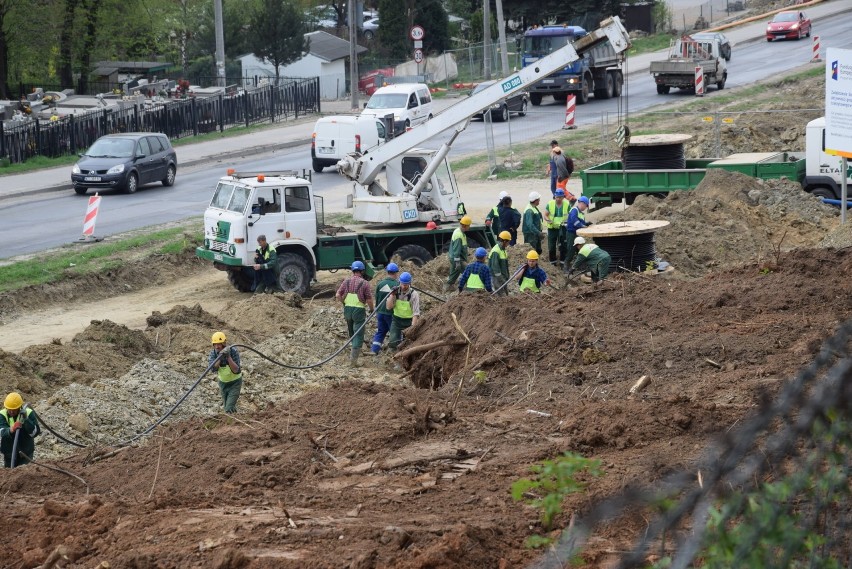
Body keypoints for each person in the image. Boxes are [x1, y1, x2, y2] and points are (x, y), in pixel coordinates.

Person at [335, 261, 375, 367]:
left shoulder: (346, 281)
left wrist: (344, 303)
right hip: (358, 310)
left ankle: (354, 350)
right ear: (362, 271)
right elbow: (369, 299)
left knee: (351, 331)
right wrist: (372, 309)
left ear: (352, 270)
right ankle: (353, 361)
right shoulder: (365, 283)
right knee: (358, 334)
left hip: (347, 309)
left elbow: (338, 294)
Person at [1, 392, 40, 468]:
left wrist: (26, 420)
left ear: (19, 407)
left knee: (25, 476)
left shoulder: (28, 413)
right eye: (10, 409)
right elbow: (1, 431)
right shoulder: (2, 414)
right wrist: (11, 429)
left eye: (14, 409)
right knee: (10, 475)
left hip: (25, 452)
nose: (11, 411)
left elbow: (34, 433)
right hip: (9, 452)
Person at [386, 272, 421, 352]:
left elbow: (416, 313)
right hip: (396, 320)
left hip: (408, 322)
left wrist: (413, 328)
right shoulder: (395, 292)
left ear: (409, 283)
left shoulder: (414, 295)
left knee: (407, 343)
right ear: (399, 282)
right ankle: (394, 356)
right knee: (393, 341)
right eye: (402, 284)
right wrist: (391, 295)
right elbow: (388, 307)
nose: (403, 286)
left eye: (406, 284)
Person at [208, 332, 242, 414]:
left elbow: (236, 370)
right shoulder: (213, 354)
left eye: (219, 344)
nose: (217, 346)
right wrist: (220, 356)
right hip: (223, 384)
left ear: (224, 343)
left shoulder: (233, 351)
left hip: (235, 383)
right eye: (215, 344)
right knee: (228, 407)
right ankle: (236, 421)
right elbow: (213, 369)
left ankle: (229, 424)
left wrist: (228, 357)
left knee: (228, 408)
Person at [371, 263, 399, 355]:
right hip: (390, 313)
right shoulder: (397, 285)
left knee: (381, 331)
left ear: (387, 272)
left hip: (380, 312)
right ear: (395, 273)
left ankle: (374, 350)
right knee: (394, 332)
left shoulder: (380, 284)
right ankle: (394, 351)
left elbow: (377, 298)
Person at [444, 215, 472, 292]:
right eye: (469, 225)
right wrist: (457, 262)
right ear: (465, 225)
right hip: (458, 258)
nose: (469, 227)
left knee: (454, 273)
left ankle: (448, 287)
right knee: (468, 271)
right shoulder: (459, 235)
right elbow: (457, 249)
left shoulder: (458, 231)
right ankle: (469, 289)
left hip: (455, 257)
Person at [543, 189, 569, 266]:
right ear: (554, 196)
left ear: (563, 197)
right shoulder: (550, 204)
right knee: (551, 246)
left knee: (563, 245)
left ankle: (562, 262)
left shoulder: (567, 204)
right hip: (552, 228)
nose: (558, 199)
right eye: (557, 197)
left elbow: (571, 214)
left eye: (560, 197)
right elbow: (545, 215)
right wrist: (548, 220)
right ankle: (552, 262)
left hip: (562, 227)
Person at [565, 196, 592, 269]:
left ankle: (581, 266)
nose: (586, 208)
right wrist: (582, 226)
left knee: (581, 250)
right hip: (571, 233)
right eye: (586, 206)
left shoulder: (581, 214)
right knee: (571, 250)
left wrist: (586, 224)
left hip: (578, 234)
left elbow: (580, 222)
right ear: (582, 203)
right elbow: (575, 221)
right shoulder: (574, 210)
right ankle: (566, 266)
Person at [489, 231, 511, 296]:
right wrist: (501, 279)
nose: (509, 243)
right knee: (500, 295)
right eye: (508, 242)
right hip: (497, 279)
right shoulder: (496, 251)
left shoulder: (503, 250)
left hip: (503, 278)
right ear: (504, 241)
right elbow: (495, 267)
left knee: (505, 294)